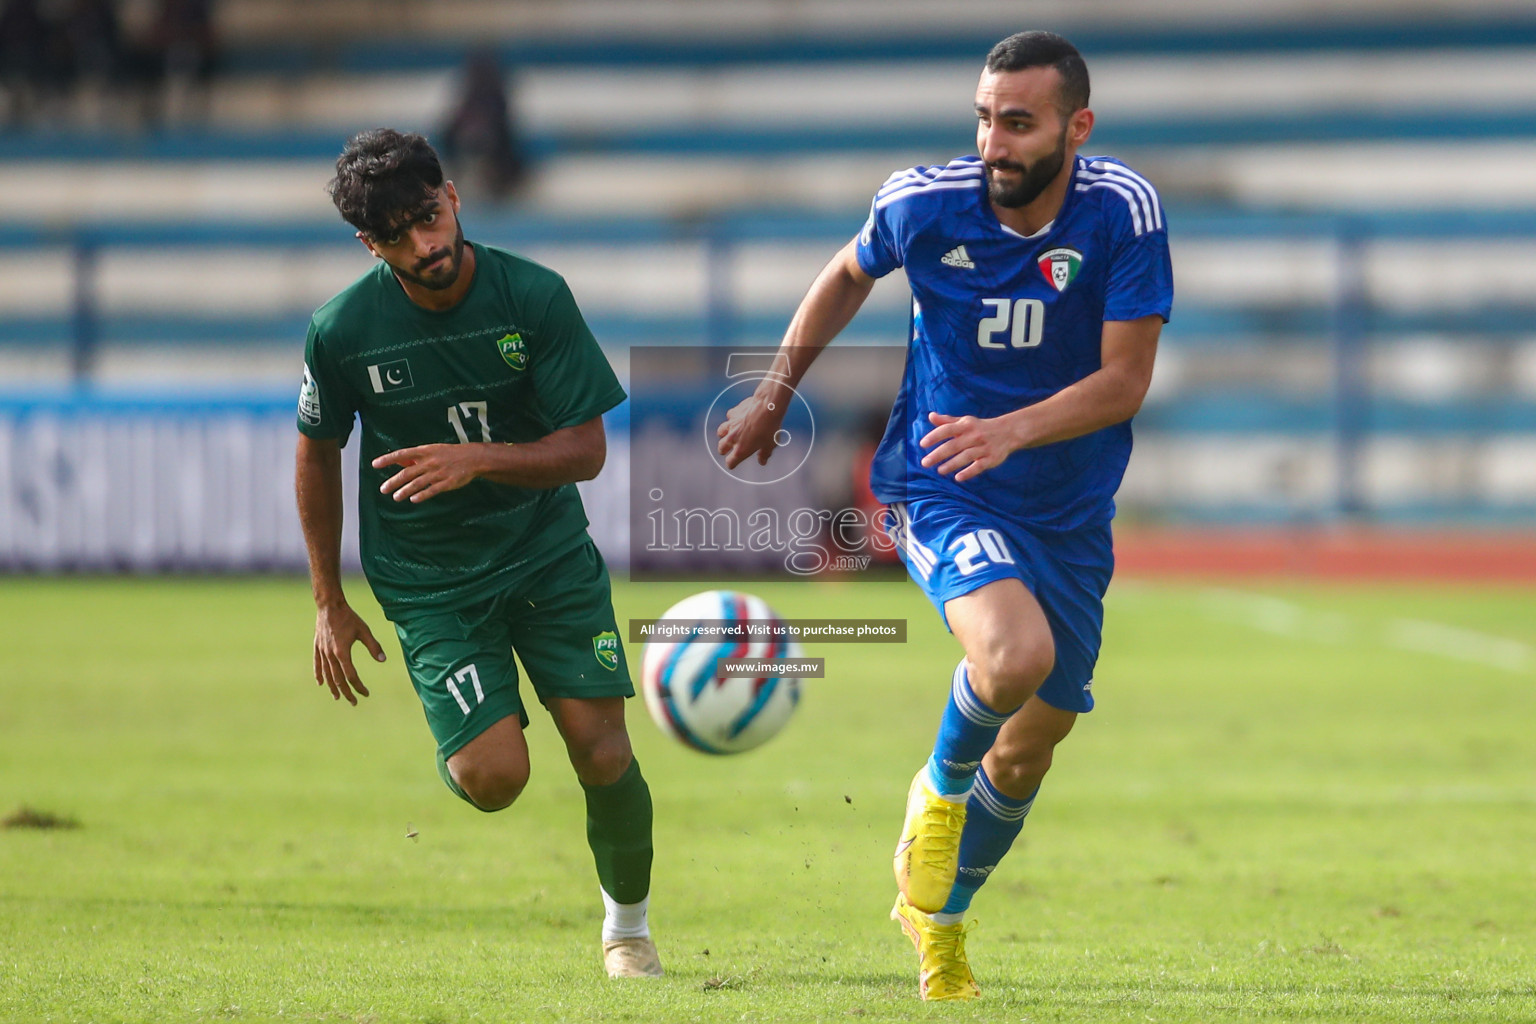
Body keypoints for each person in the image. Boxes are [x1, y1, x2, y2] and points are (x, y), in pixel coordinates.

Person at [717, 31, 1172, 1001]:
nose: (994, 142)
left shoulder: (1123, 210)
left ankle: (942, 918)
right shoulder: (922, 201)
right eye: (983, 118)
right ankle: (937, 787)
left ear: (1075, 127)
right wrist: (774, 386)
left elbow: (1126, 380)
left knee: (1033, 742)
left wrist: (1013, 430)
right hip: (941, 480)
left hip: (1068, 510)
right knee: (1012, 658)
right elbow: (848, 271)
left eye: (1018, 122)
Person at [294, 128, 662, 980]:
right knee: (495, 778)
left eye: (429, 215)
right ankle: (472, 723)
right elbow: (316, 450)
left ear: (452, 196)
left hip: (544, 557)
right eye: (397, 234)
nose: (425, 243)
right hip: (430, 583)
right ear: (370, 245)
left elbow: (586, 450)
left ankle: (628, 931)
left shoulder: (532, 297)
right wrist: (327, 597)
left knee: (602, 752)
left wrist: (479, 458)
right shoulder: (342, 330)